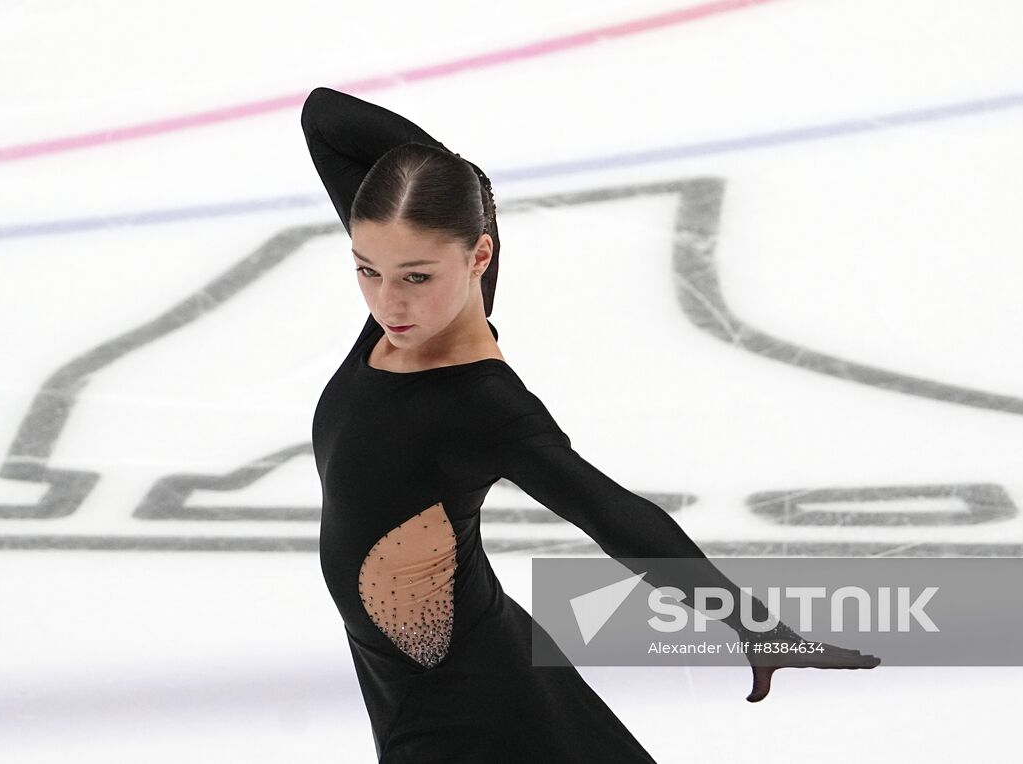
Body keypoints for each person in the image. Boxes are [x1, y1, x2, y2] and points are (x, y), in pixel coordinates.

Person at [301, 85, 878, 762]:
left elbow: (612, 515)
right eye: (366, 270)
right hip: (436, 654)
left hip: (456, 697)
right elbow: (325, 117)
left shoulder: (483, 402)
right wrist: (461, 186)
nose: (388, 301)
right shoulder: (413, 278)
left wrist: (752, 626)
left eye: (415, 277)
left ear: (478, 258)